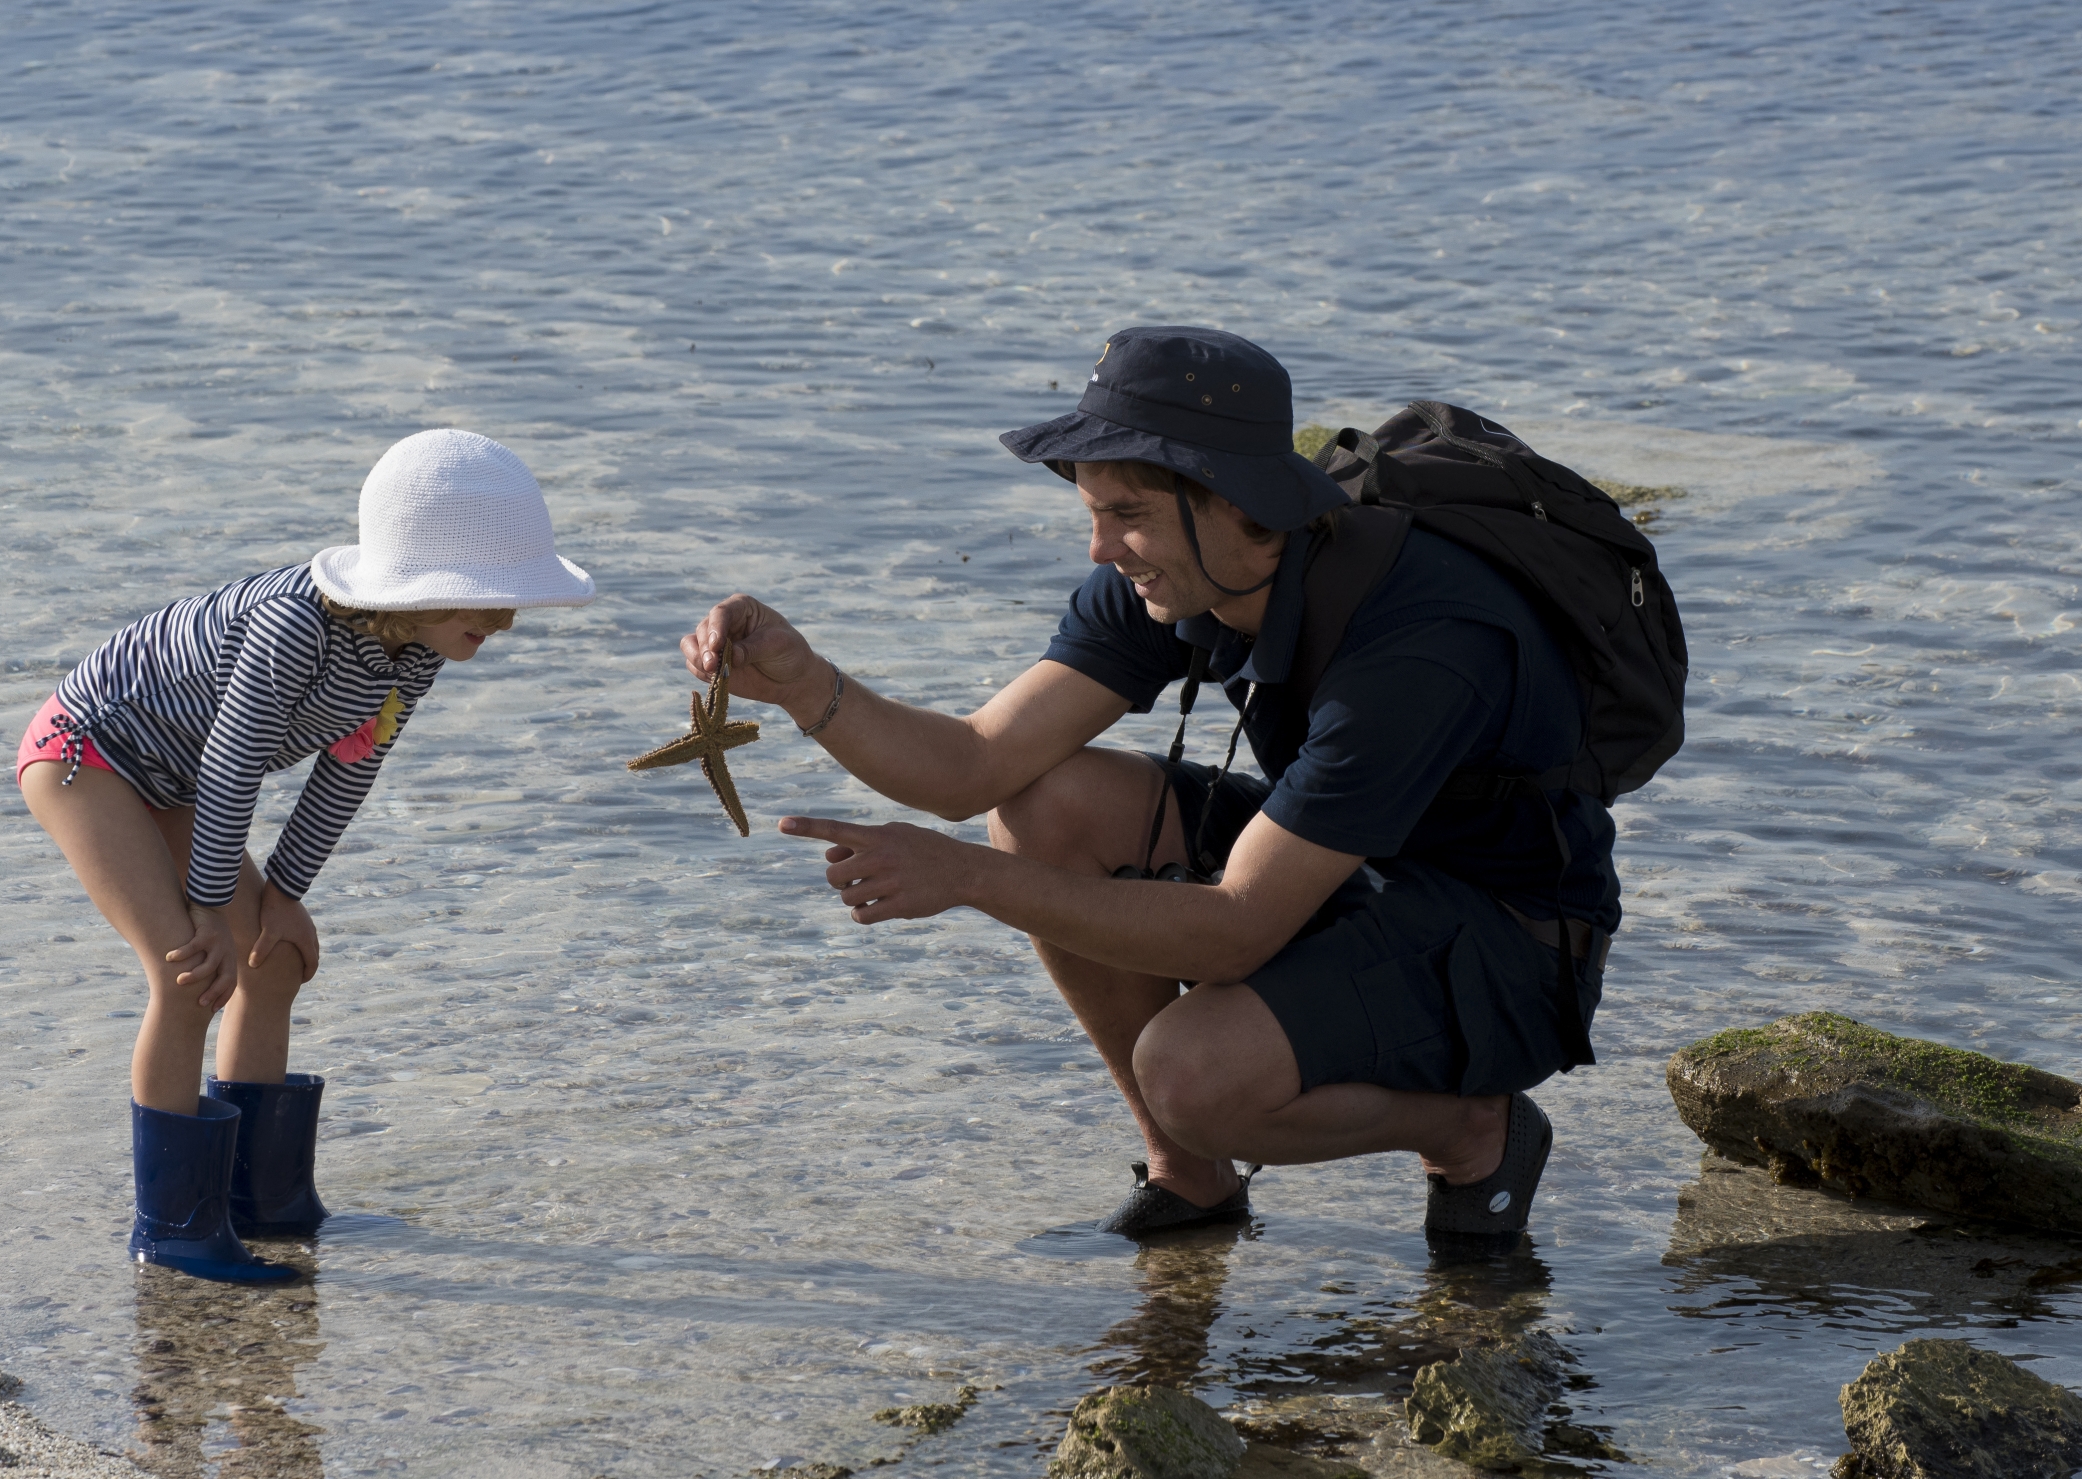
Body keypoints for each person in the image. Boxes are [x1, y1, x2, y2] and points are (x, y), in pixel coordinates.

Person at [681, 327, 1616, 1244]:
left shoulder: (1422, 641)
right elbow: (972, 764)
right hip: (1349, 870)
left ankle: (1471, 1131)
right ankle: (1190, 1177)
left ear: (1236, 502)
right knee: (1049, 804)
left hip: (1512, 940)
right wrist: (806, 682)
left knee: (1192, 1071)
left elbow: (1242, 921)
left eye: (1125, 514)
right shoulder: (1176, 574)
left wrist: (967, 880)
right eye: (1090, 511)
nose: (1100, 548)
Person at [20, 428, 594, 1283]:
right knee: (190, 972)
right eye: (477, 597)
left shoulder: (417, 652)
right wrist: (213, 913)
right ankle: (176, 1227)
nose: (497, 619)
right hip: (89, 758)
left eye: (505, 598)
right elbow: (232, 761)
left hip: (175, 782)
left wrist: (283, 893)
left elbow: (350, 769)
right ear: (412, 584)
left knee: (274, 958)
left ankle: (261, 1201)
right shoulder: (293, 626)